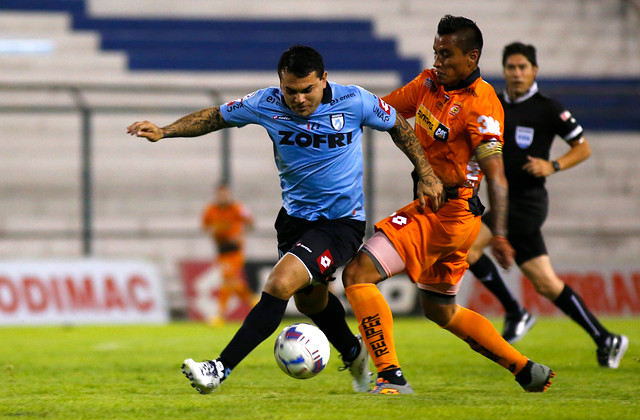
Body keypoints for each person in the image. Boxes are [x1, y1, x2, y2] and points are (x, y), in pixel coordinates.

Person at [127, 45, 443, 394]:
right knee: (310, 302)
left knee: (279, 284)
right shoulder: (266, 103)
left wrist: (425, 172)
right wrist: (165, 130)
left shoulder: (355, 101)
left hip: (341, 223)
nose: (298, 99)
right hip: (293, 220)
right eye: (290, 91)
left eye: (307, 89)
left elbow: (398, 124)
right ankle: (353, 352)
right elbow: (216, 116)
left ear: (324, 79)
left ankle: (218, 369)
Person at [342, 15, 554, 394]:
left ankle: (390, 377)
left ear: (472, 58)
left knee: (358, 273)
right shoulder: (428, 84)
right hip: (447, 216)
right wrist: (336, 108)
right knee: (440, 310)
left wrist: (501, 235)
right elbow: (380, 111)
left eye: (448, 55)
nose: (438, 61)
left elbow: (498, 177)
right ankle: (525, 370)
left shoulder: (482, 107)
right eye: (436, 52)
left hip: (447, 216)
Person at [465, 42, 629, 364]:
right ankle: (605, 338)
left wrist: (552, 165)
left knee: (467, 247)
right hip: (501, 203)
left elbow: (582, 148)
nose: (516, 74)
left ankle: (515, 313)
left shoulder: (548, 108)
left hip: (526, 204)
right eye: (511, 68)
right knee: (546, 283)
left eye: (522, 67)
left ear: (534, 71)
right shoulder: (494, 103)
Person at [201, 182, 255, 325]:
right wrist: (214, 231)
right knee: (231, 280)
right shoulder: (210, 210)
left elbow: (251, 222)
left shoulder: (237, 208)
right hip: (222, 250)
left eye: (225, 194)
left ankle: (220, 315)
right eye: (220, 194)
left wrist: (241, 234)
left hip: (235, 249)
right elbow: (205, 226)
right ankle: (253, 300)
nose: (222, 197)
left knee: (227, 278)